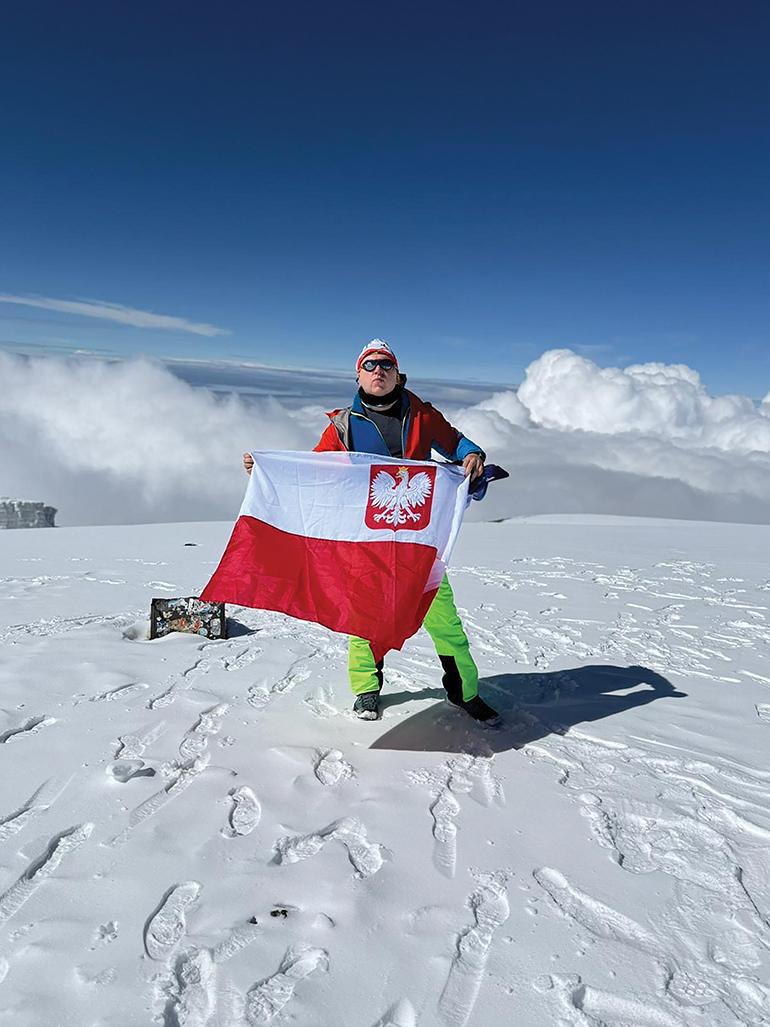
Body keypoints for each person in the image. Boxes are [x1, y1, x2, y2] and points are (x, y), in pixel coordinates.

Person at [243, 339, 500, 726]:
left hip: (418, 540)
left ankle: (465, 693)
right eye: (370, 365)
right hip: (367, 542)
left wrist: (473, 453)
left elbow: (457, 443)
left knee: (443, 619)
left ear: (397, 374)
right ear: (359, 375)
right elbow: (314, 470)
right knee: (364, 620)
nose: (378, 370)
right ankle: (366, 692)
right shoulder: (343, 426)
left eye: (386, 365)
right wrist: (268, 469)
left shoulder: (423, 415)